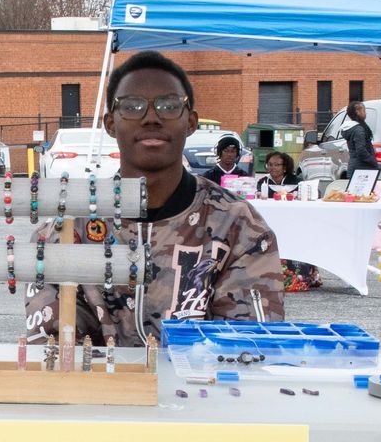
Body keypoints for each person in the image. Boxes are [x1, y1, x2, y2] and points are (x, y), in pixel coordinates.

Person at [25, 51, 285, 348]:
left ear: (191, 121)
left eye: (169, 105)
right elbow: (55, 353)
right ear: (111, 123)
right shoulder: (69, 231)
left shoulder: (238, 226)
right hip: (99, 391)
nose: (151, 118)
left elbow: (248, 348)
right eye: (133, 106)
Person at [255, 151, 319, 291]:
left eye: (277, 165)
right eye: (270, 165)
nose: (272, 168)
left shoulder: (295, 182)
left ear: (285, 167)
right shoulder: (263, 182)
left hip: (293, 222)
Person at [337, 101, 380, 177]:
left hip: (356, 167)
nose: (365, 113)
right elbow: (361, 150)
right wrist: (373, 161)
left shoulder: (352, 128)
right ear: (357, 112)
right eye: (363, 110)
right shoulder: (358, 129)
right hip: (362, 169)